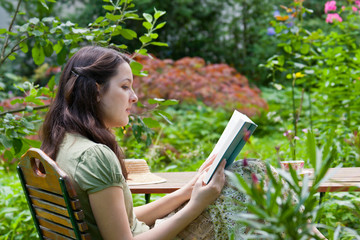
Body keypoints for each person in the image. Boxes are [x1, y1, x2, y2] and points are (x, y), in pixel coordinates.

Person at [40, 45, 226, 240]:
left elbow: (123, 219)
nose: (134, 97)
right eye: (125, 87)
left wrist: (185, 192)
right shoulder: (93, 155)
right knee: (246, 174)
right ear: (96, 91)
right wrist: (196, 205)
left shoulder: (64, 143)